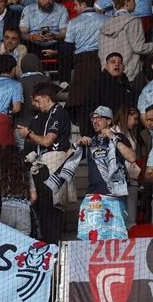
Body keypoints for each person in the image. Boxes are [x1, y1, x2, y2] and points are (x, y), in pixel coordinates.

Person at [44, 106, 135, 241]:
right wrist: (76, 144)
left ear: (109, 121)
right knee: (88, 238)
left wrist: (113, 138)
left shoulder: (119, 137)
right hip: (93, 196)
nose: (95, 121)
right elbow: (66, 160)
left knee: (116, 238)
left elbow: (132, 157)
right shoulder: (90, 142)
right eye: (93, 118)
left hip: (114, 196)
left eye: (99, 118)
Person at [16, 83, 71, 243]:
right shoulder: (47, 115)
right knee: (44, 207)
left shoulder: (58, 113)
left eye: (38, 100)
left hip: (53, 164)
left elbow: (48, 141)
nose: (35, 104)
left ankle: (53, 245)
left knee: (52, 208)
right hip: (44, 164)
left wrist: (29, 134)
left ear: (47, 97)